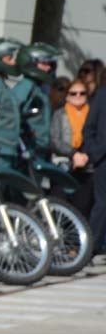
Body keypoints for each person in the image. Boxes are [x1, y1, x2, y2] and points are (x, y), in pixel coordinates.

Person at [51, 79, 93, 216]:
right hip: (64, 165)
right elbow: (55, 140)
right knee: (60, 207)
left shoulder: (93, 114)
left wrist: (85, 155)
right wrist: (73, 154)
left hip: (87, 166)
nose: (78, 96)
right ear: (67, 95)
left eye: (82, 93)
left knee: (82, 207)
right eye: (73, 93)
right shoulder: (59, 114)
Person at [14, 43, 60, 153]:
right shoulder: (25, 87)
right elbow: (13, 115)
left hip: (39, 149)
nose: (48, 68)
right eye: (44, 63)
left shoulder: (38, 88)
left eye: (50, 64)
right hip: (27, 149)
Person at [82, 73, 106, 251]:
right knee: (102, 204)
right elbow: (88, 128)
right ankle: (90, 247)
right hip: (103, 158)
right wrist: (95, 151)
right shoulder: (101, 96)